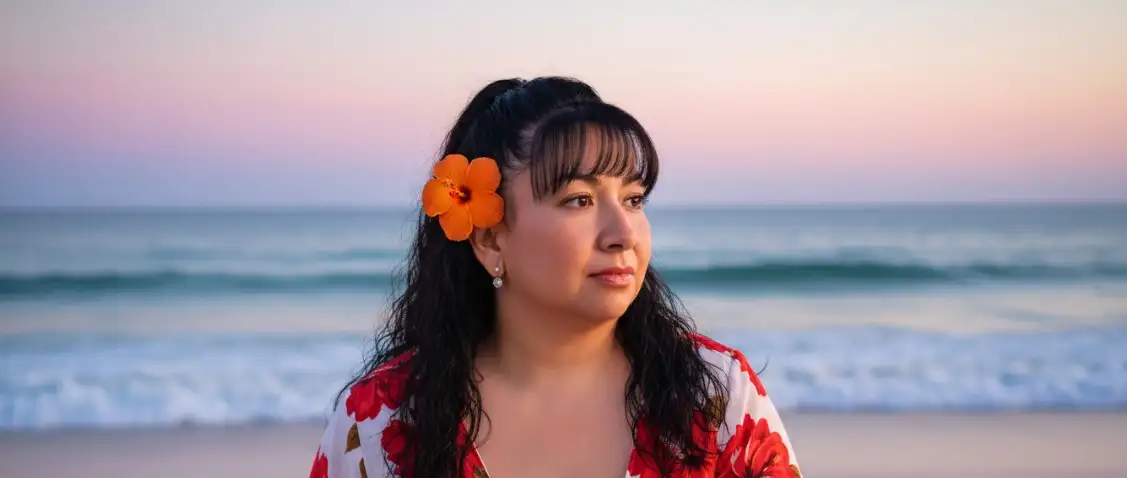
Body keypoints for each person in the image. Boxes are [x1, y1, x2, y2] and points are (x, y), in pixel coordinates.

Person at [308, 76, 801, 478]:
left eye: (633, 200)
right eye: (579, 201)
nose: (623, 232)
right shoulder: (381, 420)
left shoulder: (717, 398)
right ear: (490, 241)